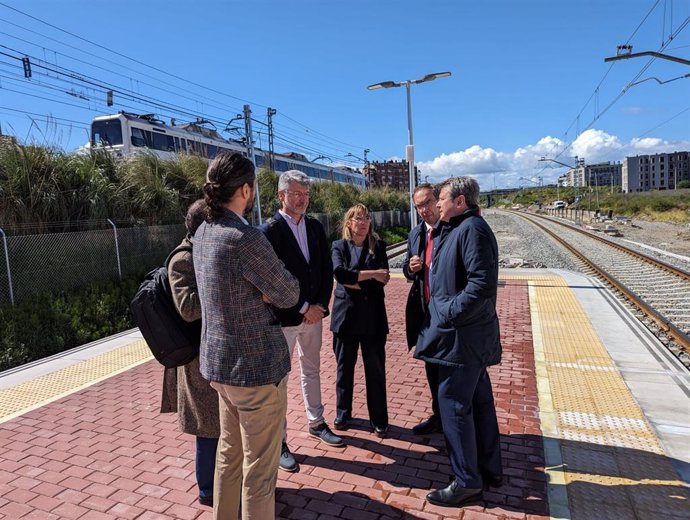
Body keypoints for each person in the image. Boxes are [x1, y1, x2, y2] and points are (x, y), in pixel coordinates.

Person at [193, 152, 300, 520]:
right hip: (255, 370)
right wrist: (268, 291)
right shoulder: (245, 238)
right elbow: (288, 293)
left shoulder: (204, 232)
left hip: (220, 367)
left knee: (229, 454)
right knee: (260, 470)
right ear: (245, 189)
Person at [415, 176, 503, 508]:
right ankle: (488, 468)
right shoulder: (459, 228)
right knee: (478, 402)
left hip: (463, 339)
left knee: (452, 403)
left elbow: (481, 283)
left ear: (460, 202)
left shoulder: (472, 230)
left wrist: (449, 311)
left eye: (443, 198)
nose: (437, 203)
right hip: (464, 338)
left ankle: (467, 481)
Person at [260, 170, 342, 473]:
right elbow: (271, 281)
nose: (303, 199)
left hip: (314, 316)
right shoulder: (269, 231)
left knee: (312, 370)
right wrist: (304, 306)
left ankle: (316, 422)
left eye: (306, 194)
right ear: (281, 195)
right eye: (296, 194)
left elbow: (324, 270)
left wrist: (320, 304)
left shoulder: (316, 227)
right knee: (278, 382)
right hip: (284, 319)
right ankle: (279, 441)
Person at [160, 198, 219, 507]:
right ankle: (207, 490)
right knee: (207, 428)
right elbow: (187, 308)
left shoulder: (202, 251)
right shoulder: (182, 259)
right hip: (195, 359)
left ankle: (221, 484)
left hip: (212, 353)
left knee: (219, 426)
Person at [330, 204, 390, 436]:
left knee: (375, 371)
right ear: (349, 223)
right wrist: (370, 274)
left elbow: (383, 278)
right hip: (345, 319)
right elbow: (339, 273)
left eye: (367, 218)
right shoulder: (338, 246)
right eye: (358, 218)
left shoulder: (379, 246)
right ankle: (343, 414)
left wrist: (354, 279)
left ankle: (379, 419)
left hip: (373, 320)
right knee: (344, 370)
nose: (363, 222)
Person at [403, 183, 443, 436]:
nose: (424, 210)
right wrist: (411, 268)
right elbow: (408, 273)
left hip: (448, 314)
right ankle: (439, 416)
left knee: (450, 371)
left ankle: (453, 419)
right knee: (431, 367)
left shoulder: (452, 230)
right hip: (426, 314)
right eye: (419, 206)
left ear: (438, 201)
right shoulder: (415, 234)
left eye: (427, 203)